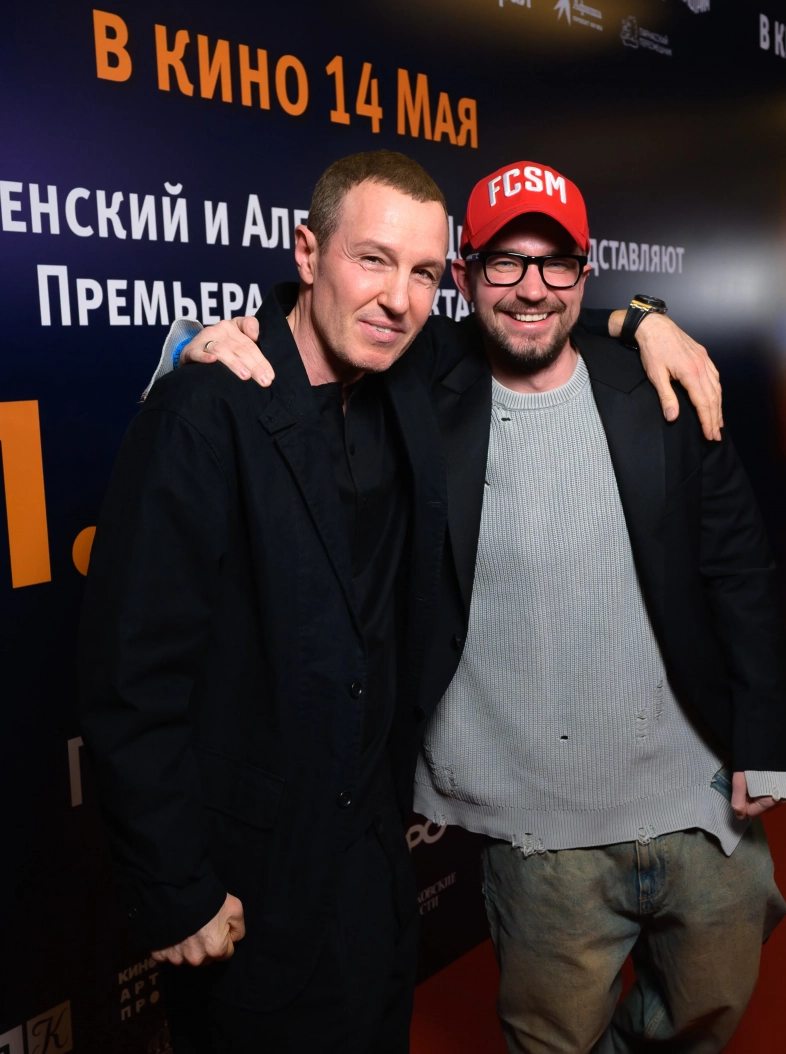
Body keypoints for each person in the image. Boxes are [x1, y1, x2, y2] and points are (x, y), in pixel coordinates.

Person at [80, 151, 720, 1054]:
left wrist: (644, 320)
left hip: (372, 867)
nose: (398, 298)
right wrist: (175, 887)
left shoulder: (413, 370)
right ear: (308, 253)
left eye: (422, 272)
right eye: (372, 260)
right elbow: (130, 677)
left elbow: (529, 314)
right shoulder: (203, 412)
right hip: (249, 876)